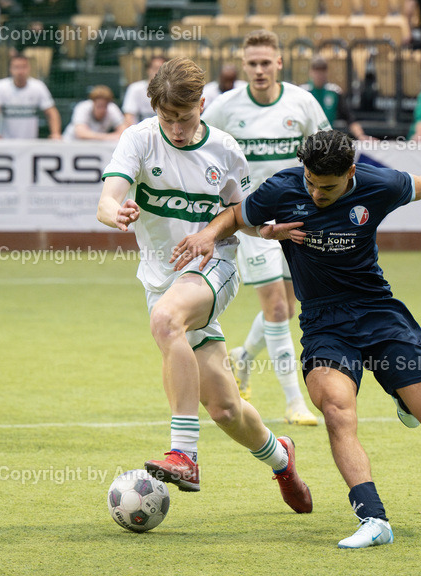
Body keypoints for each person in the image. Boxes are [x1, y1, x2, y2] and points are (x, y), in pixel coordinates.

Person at [171, 130, 421, 548]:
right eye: (310, 182)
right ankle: (373, 519)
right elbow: (235, 216)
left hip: (378, 311)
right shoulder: (284, 188)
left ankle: (402, 395)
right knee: (338, 411)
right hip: (324, 324)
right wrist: (214, 235)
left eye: (328, 187)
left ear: (351, 174)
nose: (317, 193)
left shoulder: (380, 185)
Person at [96, 56, 312, 513]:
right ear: (154, 109)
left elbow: (243, 216)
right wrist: (115, 212)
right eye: (167, 118)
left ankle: (185, 455)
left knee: (166, 319)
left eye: (185, 117)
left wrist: (268, 229)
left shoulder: (226, 150)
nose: (176, 128)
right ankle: (281, 457)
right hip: (162, 279)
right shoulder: (138, 139)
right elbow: (108, 196)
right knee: (225, 410)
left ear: (202, 105)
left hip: (217, 266)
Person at [203, 29, 330, 426]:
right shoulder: (224, 108)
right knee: (275, 307)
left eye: (265, 63)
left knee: (288, 307)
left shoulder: (302, 102)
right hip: (251, 220)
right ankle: (295, 403)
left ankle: (243, 357)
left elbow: (325, 152)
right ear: (243, 66)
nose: (259, 70)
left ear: (278, 63)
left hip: (298, 218)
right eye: (252, 64)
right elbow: (198, 147)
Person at [0, 54, 61, 139]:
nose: (20, 71)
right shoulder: (0, 86)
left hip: (31, 143)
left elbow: (51, 112)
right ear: (10, 69)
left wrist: (55, 133)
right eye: (16, 67)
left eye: (24, 67)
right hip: (5, 143)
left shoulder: (38, 86)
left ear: (29, 68)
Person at [300, 56, 370, 141]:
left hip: (326, 140)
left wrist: (361, 136)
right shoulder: (302, 92)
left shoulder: (334, 92)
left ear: (327, 72)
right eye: (316, 71)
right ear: (311, 72)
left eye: (323, 71)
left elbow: (349, 118)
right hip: (305, 140)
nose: (319, 74)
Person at [121, 55, 165, 127]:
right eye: (155, 68)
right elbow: (129, 117)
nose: (158, 72)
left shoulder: (171, 91)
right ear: (148, 69)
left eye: (161, 69)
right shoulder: (135, 88)